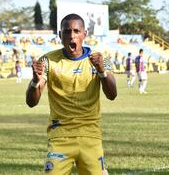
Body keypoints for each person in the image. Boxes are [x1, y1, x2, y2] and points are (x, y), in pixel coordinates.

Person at [25, 13, 117, 175]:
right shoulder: (47, 61)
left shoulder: (99, 60)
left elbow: (112, 94)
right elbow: (31, 102)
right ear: (60, 35)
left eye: (76, 31)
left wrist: (101, 71)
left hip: (90, 135)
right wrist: (34, 82)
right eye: (67, 32)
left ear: (84, 34)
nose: (71, 36)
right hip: (60, 136)